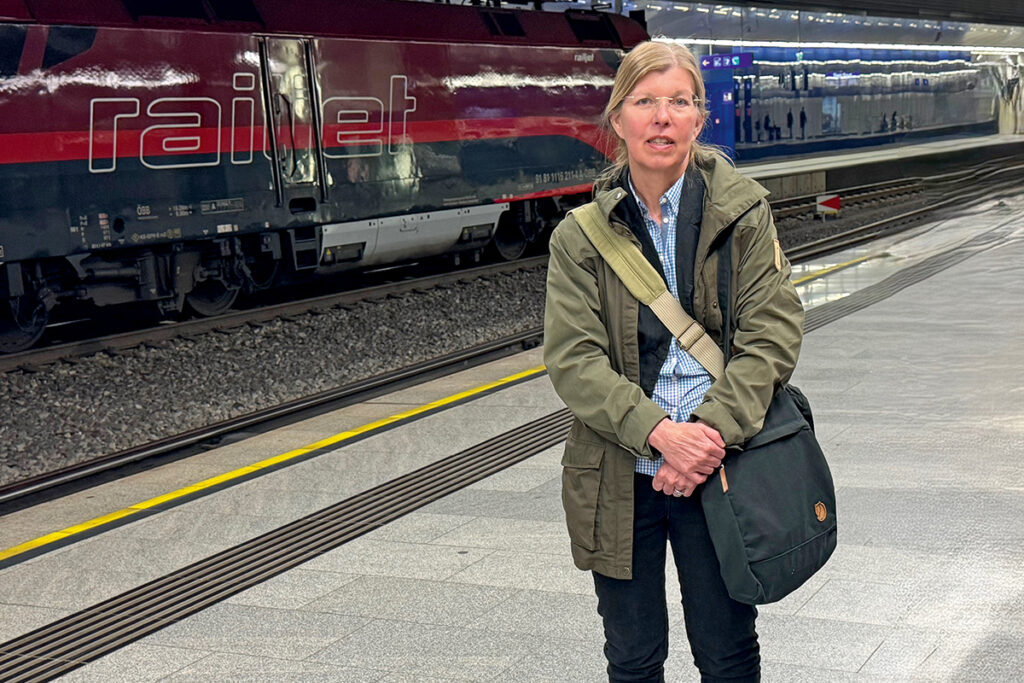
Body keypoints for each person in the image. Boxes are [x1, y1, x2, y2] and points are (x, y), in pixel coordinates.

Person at [544, 40, 804, 683]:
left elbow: (771, 333)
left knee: (726, 653)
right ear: (618, 118)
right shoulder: (579, 236)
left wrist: (706, 436)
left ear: (699, 117)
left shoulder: (743, 213)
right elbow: (574, 360)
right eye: (645, 101)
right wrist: (662, 435)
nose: (662, 117)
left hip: (719, 464)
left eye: (679, 101)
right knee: (632, 658)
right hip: (619, 469)